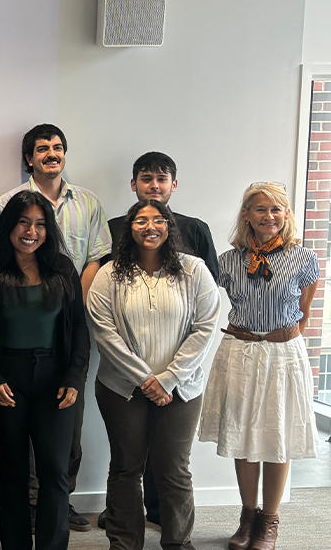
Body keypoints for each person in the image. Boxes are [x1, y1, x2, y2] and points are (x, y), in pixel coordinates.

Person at [0, 123, 110, 531]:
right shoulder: (6, 208)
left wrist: (68, 299)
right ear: (29, 158)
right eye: (42, 148)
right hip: (12, 360)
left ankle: (57, 512)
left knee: (62, 451)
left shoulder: (86, 206)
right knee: (13, 462)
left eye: (57, 147)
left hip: (61, 340)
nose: (51, 153)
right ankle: (26, 511)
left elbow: (95, 260)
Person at [98, 152, 219, 530]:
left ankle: (171, 531)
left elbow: (206, 318)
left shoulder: (194, 255)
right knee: (126, 465)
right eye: (146, 178)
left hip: (180, 383)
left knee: (172, 467)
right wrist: (144, 378)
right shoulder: (110, 256)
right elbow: (104, 324)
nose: (150, 227)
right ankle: (124, 532)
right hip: (123, 382)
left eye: (161, 178)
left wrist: (168, 379)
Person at [199, 182, 321, 550]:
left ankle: (270, 521)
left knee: (277, 437)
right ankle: (247, 516)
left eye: (276, 209)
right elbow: (204, 299)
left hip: (283, 355)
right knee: (243, 438)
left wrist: (280, 340)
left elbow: (304, 313)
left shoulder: (304, 258)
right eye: (260, 209)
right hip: (240, 353)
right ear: (247, 215)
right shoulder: (228, 260)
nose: (269, 216)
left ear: (286, 214)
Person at [0, 190, 89, 550]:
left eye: (40, 224)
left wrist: (74, 377)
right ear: (9, 225)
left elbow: (79, 328)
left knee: (54, 472)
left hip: (55, 380)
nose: (31, 231)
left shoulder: (62, 268)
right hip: (5, 379)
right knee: (12, 472)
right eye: (23, 222)